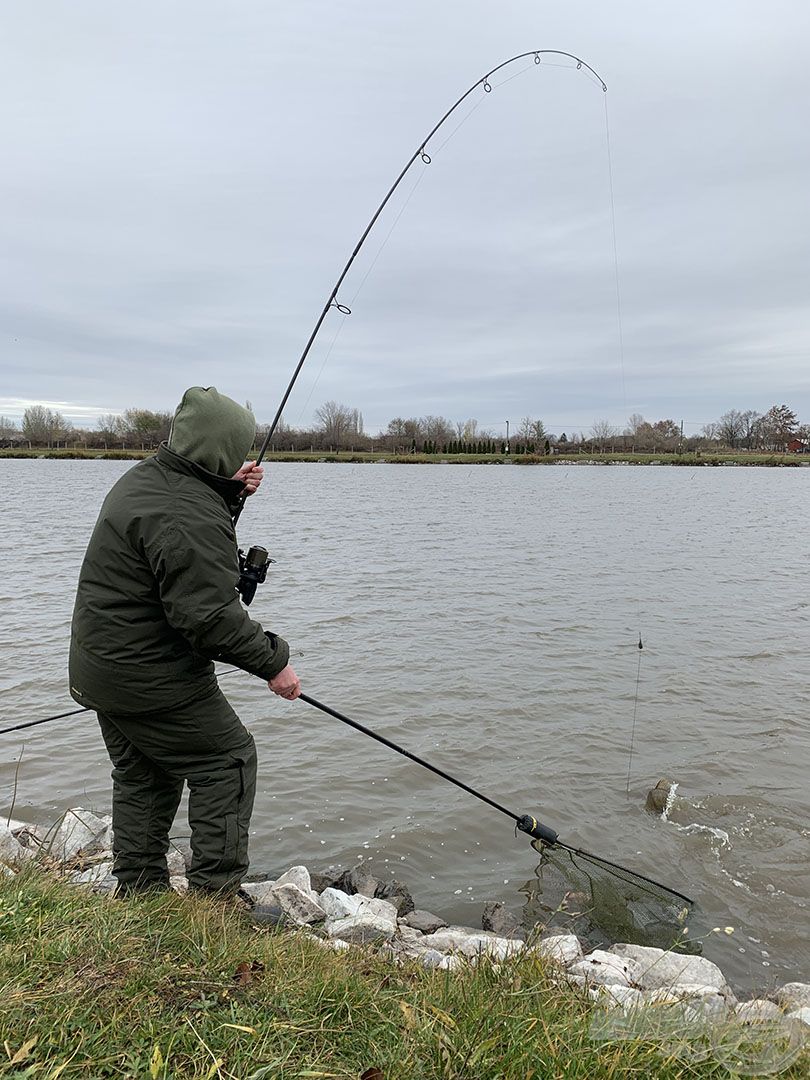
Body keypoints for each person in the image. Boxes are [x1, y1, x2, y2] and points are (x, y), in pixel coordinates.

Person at [69, 386, 300, 896]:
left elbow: (180, 542)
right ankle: (215, 900)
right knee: (228, 760)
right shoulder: (186, 511)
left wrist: (227, 490)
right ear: (218, 449)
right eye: (235, 452)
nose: (242, 459)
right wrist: (274, 663)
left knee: (145, 774)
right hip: (150, 676)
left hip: (102, 670)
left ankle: (139, 891)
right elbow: (211, 619)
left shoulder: (149, 478)